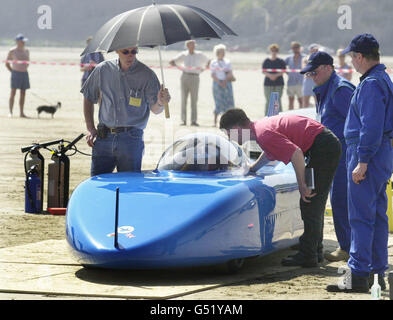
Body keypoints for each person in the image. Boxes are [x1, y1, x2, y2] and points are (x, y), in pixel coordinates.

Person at [219, 109, 341, 267]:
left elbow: (296, 153)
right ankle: (314, 250)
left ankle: (308, 254)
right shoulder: (261, 129)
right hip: (323, 144)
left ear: (237, 129)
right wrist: (254, 168)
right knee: (313, 202)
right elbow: (271, 152)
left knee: (310, 201)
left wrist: (302, 185)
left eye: (229, 133)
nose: (229, 138)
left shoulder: (263, 134)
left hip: (323, 147)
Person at [327, 34, 393, 293]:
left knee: (360, 217)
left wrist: (362, 160)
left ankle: (358, 274)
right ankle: (377, 272)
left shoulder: (370, 85)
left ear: (361, 57)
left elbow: (371, 125)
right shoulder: (384, 79)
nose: (352, 62)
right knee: (376, 215)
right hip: (381, 152)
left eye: (353, 57)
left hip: (365, 153)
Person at [300, 51, 355, 263]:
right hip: (334, 153)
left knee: (342, 199)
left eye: (314, 72)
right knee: (337, 199)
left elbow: (358, 120)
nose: (312, 77)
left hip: (344, 153)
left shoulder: (340, 90)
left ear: (328, 68)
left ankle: (348, 247)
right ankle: (347, 245)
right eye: (309, 74)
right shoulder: (325, 89)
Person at [81, 46, 171, 176]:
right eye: (126, 51)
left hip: (131, 139)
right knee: (98, 184)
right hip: (104, 137)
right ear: (117, 51)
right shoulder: (103, 69)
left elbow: (156, 110)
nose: (130, 55)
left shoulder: (147, 75)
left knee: (129, 187)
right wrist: (90, 128)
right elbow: (88, 97)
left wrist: (161, 102)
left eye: (134, 52)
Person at [169, 40, 209, 126]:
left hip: (195, 77)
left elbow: (209, 61)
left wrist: (203, 68)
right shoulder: (184, 54)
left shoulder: (199, 54)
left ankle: (193, 120)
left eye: (194, 44)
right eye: (191, 45)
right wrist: (179, 67)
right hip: (185, 76)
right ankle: (183, 120)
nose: (193, 46)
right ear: (187, 46)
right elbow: (172, 61)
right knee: (184, 99)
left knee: (194, 100)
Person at [209, 44, 235, 127]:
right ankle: (215, 122)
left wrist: (225, 80)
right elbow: (212, 74)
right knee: (218, 102)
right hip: (217, 84)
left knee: (228, 102)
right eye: (221, 51)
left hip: (227, 83)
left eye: (224, 51)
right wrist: (219, 82)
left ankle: (228, 122)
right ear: (217, 52)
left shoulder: (227, 62)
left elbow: (230, 72)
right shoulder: (213, 62)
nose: (223, 53)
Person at [5, 34, 30, 118]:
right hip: (15, 73)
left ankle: (21, 112)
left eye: (24, 41)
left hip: (24, 73)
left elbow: (28, 62)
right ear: (17, 41)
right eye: (22, 41)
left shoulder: (26, 51)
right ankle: (10, 112)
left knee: (23, 93)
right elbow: (7, 63)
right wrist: (12, 71)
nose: (23, 42)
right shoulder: (12, 51)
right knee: (13, 92)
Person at [262, 43, 286, 115]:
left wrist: (275, 75)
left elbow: (283, 71)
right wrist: (270, 76)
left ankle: (279, 116)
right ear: (270, 51)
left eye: (275, 50)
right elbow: (263, 71)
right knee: (268, 100)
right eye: (272, 50)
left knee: (277, 101)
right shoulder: (266, 61)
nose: (274, 52)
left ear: (277, 51)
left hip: (279, 83)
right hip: (268, 83)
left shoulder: (281, 61)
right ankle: (267, 116)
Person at [285, 41, 306, 110]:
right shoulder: (289, 58)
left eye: (297, 47)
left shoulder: (304, 57)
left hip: (301, 82)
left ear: (299, 48)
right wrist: (288, 73)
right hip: (291, 82)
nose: (295, 49)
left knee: (301, 101)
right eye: (294, 48)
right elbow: (282, 66)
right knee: (291, 101)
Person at [301, 44, 319, 108]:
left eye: (316, 50)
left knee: (317, 101)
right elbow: (305, 71)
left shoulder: (320, 59)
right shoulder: (305, 58)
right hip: (307, 81)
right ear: (310, 50)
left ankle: (318, 115)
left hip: (316, 81)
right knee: (305, 101)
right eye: (313, 50)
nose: (315, 51)